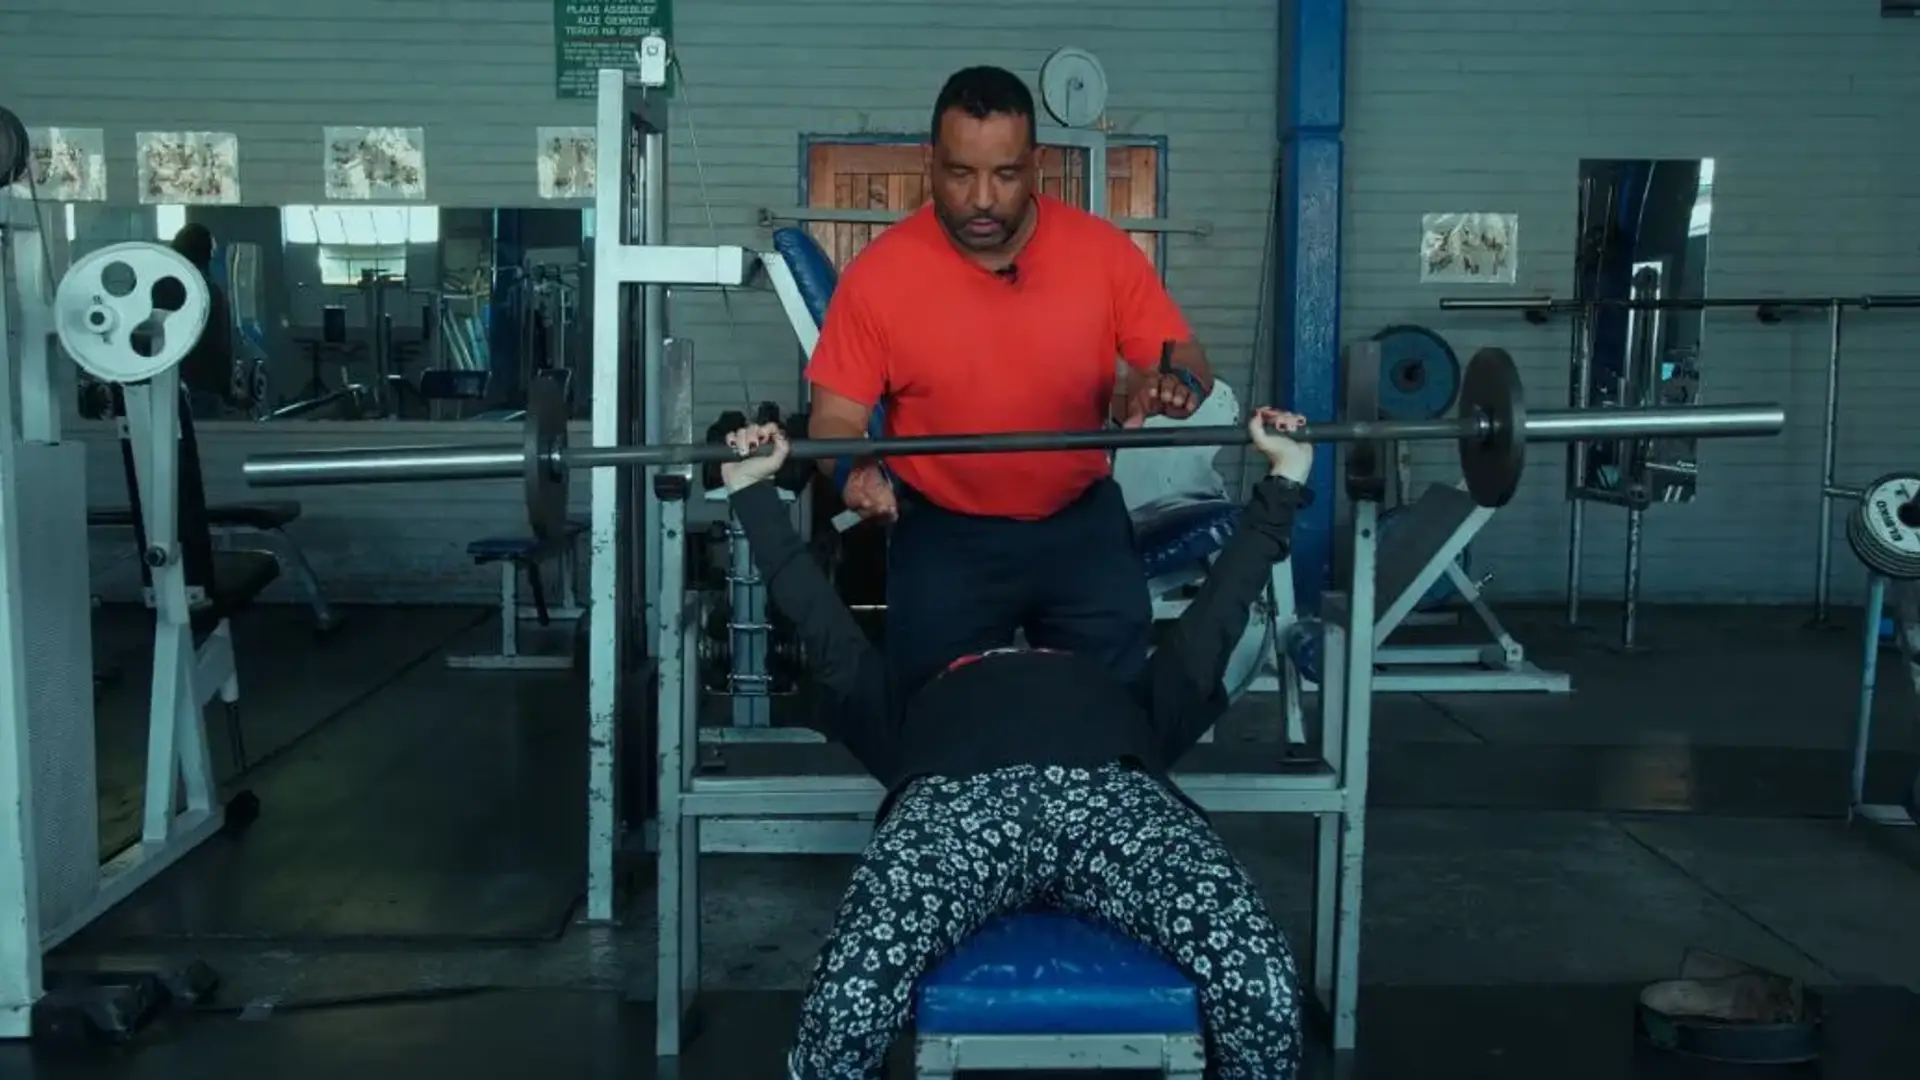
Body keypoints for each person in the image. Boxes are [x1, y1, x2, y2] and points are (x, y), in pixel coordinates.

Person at [719, 408, 1315, 1080]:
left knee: (1260, 987)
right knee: (847, 1007)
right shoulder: (907, 706)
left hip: (1115, 809)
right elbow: (819, 619)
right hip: (957, 814)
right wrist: (750, 490)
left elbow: (1216, 618)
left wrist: (1285, 478)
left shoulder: (1129, 701)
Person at [805, 64, 1218, 694]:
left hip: (1079, 529)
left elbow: (1182, 356)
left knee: (1114, 719)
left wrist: (1174, 383)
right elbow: (834, 420)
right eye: (960, 173)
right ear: (929, 162)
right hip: (946, 538)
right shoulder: (879, 278)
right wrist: (854, 470)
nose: (982, 199)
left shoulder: (1101, 254)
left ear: (1038, 163)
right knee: (936, 728)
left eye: (1005, 174)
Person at [166, 223, 235, 416]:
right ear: (207, 254)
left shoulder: (159, 285)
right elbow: (218, 345)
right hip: (202, 388)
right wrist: (227, 389)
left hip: (162, 384)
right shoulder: (208, 292)